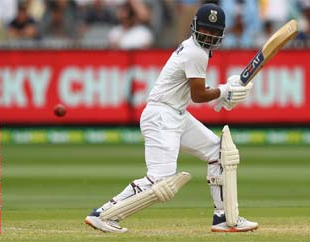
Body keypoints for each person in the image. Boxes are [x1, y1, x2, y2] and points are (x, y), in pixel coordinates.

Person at [85, 3, 258, 233]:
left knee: (219, 152)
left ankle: (224, 217)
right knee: (161, 182)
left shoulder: (196, 49)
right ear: (195, 27)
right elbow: (198, 95)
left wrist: (223, 93)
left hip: (176, 113)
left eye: (214, 32)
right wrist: (224, 91)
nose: (209, 35)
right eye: (205, 29)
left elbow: (196, 91)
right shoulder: (196, 52)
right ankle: (104, 214)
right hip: (161, 116)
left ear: (221, 34)